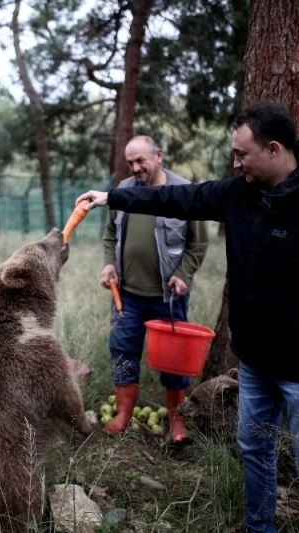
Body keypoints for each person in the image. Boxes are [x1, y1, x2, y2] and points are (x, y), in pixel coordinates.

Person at [77, 102, 299, 533]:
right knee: (254, 448)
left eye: (242, 154)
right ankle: (258, 525)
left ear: (274, 149)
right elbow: (178, 197)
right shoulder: (239, 193)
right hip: (255, 362)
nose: (235, 162)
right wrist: (113, 196)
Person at [101, 135, 208, 443]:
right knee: (122, 353)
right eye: (130, 162)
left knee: (175, 364)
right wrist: (109, 264)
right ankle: (123, 413)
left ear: (159, 155)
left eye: (141, 161)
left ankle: (177, 419)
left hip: (168, 299)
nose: (135, 168)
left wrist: (184, 274)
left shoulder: (183, 191)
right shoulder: (123, 191)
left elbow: (198, 243)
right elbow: (110, 235)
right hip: (127, 297)